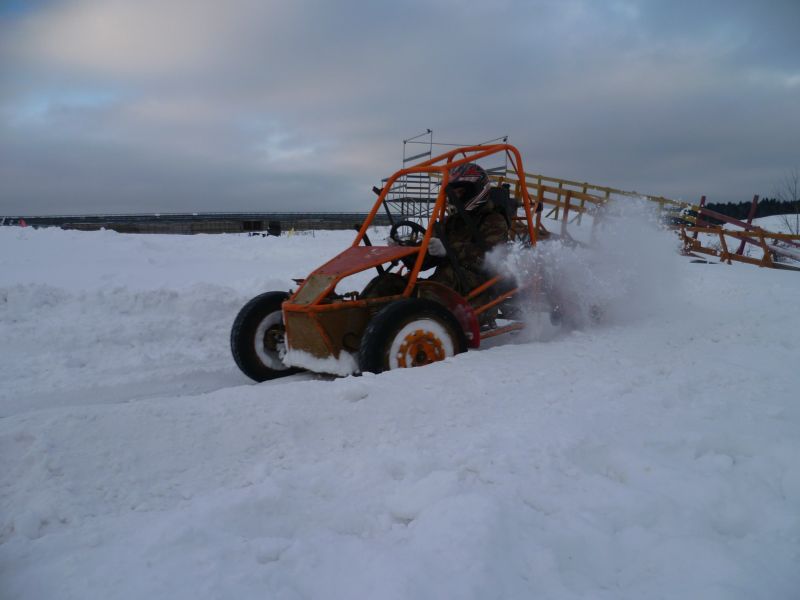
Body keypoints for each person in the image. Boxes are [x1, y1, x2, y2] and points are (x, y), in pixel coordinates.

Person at [427, 163, 509, 304]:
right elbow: (425, 252)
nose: (455, 197)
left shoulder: (494, 220)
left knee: (428, 292)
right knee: (391, 284)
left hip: (479, 289)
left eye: (460, 193)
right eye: (453, 193)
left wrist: (448, 249)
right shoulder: (450, 222)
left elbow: (489, 256)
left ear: (476, 191)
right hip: (449, 283)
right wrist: (404, 249)